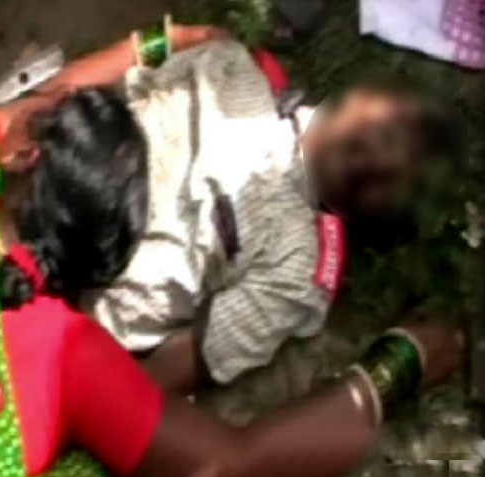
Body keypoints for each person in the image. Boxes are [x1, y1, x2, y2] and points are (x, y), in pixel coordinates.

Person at [0, 21, 462, 477]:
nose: (384, 146)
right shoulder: (69, 356)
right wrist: (396, 366)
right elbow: (220, 468)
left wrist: (162, 41)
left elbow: (51, 102)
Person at [70, 35, 462, 392]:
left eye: (394, 172)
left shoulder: (295, 270)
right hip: (51, 156)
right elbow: (136, 53)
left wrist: (76, 397)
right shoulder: (231, 64)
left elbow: (176, 367)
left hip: (66, 298)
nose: (380, 152)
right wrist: (43, 98)